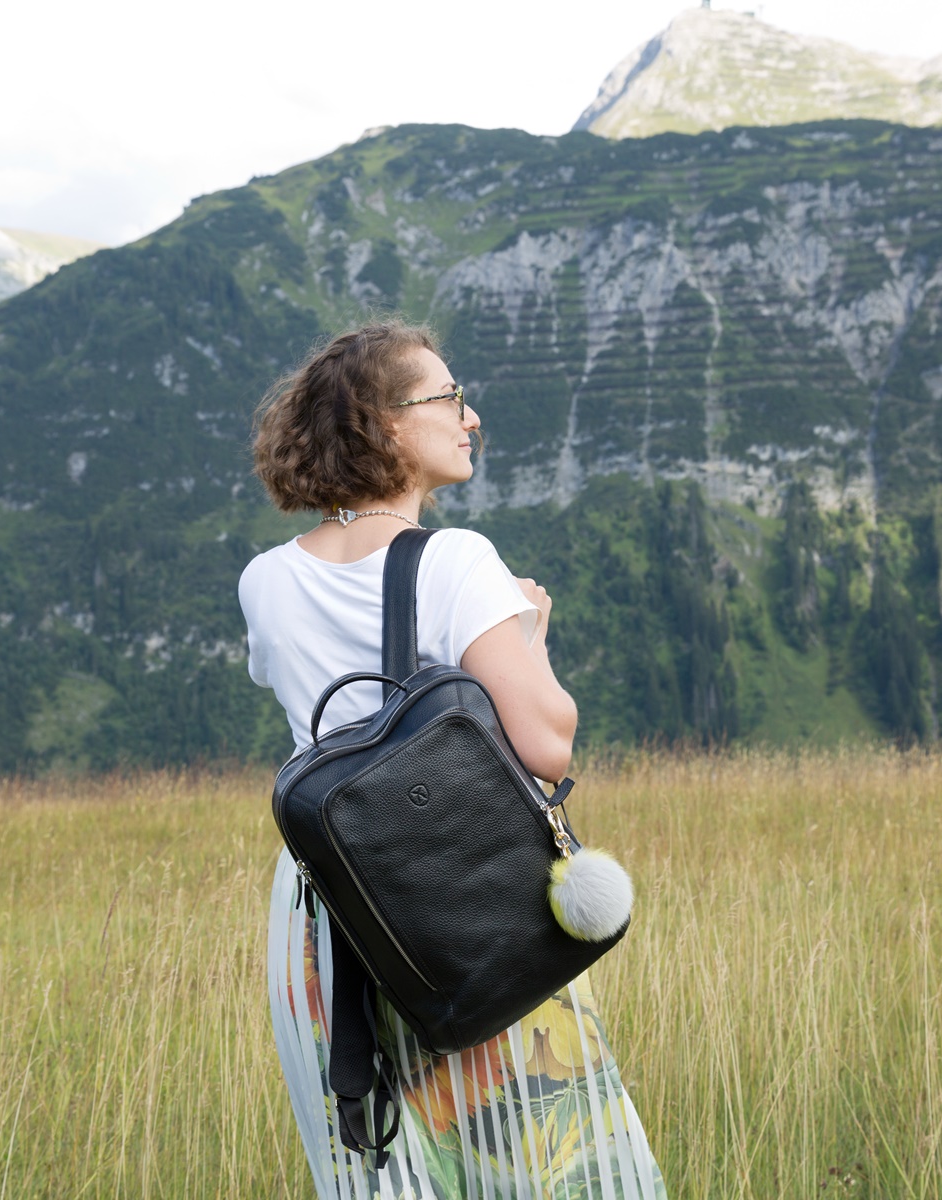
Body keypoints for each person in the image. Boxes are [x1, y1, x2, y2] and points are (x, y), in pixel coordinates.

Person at [239, 319, 665, 1198]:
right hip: (459, 891)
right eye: (451, 398)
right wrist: (529, 632)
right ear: (386, 422)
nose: (471, 418)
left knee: (380, 1167)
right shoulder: (457, 560)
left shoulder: (266, 577)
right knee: (541, 1163)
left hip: (330, 915)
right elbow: (545, 746)